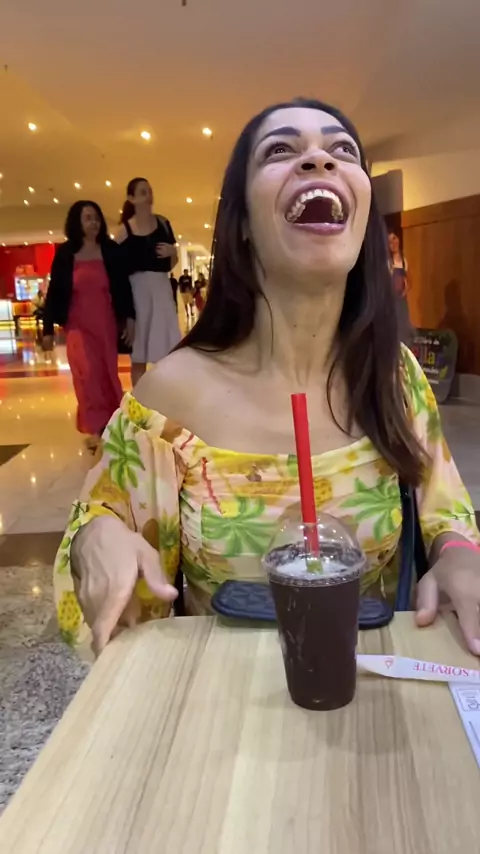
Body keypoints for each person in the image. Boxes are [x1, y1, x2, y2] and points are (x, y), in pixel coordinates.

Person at [54, 98, 480, 659]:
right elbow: (103, 525)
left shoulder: (395, 376)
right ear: (242, 225)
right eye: (280, 150)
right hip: (218, 697)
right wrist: (96, 537)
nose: (319, 160)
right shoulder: (169, 398)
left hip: (375, 694)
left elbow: (445, 509)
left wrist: (457, 554)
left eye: (342, 150)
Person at [43, 201, 135, 453]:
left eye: (96, 217)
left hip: (104, 323)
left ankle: (112, 425)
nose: (94, 222)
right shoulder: (66, 254)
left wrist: (129, 319)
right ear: (77, 222)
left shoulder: (110, 250)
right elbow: (54, 292)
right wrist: (47, 328)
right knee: (88, 375)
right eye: (88, 218)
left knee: (106, 374)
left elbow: (123, 287)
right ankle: (97, 429)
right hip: (77, 326)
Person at [117, 178, 180, 387]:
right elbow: (116, 269)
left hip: (161, 290)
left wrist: (173, 253)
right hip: (138, 293)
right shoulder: (125, 230)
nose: (149, 196)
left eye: (150, 191)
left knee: (167, 349)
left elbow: (170, 264)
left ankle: (166, 396)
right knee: (139, 354)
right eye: (143, 192)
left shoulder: (163, 223)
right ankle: (141, 399)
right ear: (131, 198)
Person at [388, 230, 413, 345]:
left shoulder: (404, 261)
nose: (393, 243)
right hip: (391, 301)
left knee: (403, 327)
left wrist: (405, 290)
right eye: (389, 242)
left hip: (401, 301)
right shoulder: (388, 262)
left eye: (394, 238)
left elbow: (410, 280)